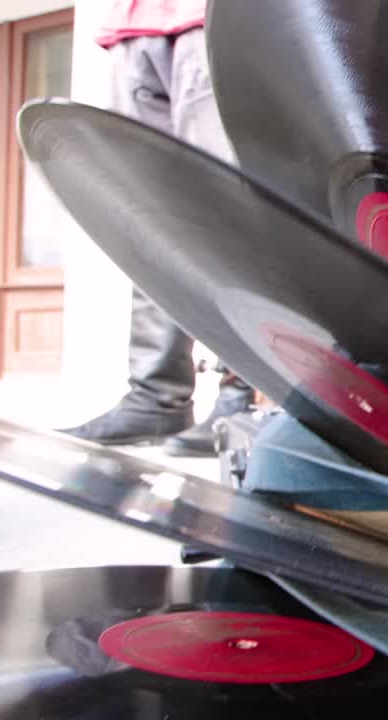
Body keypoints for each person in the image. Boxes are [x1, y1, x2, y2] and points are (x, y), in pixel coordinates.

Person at [58, 0, 252, 456]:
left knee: (228, 207)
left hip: (212, 18)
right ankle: (156, 394)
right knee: (149, 217)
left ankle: (242, 392)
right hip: (133, 25)